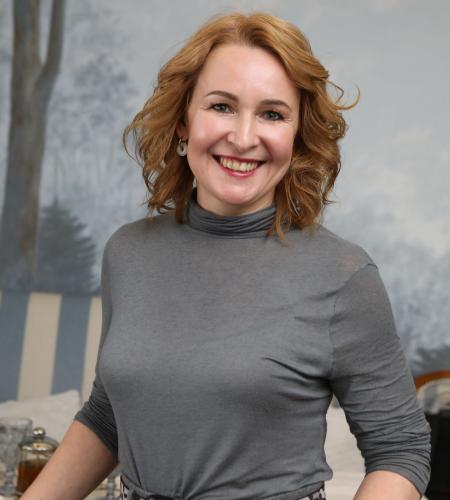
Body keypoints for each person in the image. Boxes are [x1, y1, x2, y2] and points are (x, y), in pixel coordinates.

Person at [22, 12, 430, 500]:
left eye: (272, 114)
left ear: (297, 136)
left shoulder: (343, 275)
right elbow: (111, 414)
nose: (242, 137)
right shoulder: (128, 253)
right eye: (221, 106)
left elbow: (400, 449)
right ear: (183, 122)